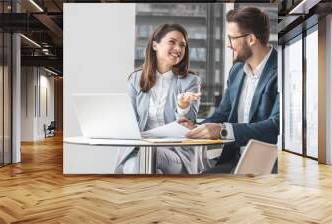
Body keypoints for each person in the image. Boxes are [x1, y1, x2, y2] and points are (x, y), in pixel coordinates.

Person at [178, 7, 279, 173]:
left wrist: (223, 131)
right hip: (235, 160)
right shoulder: (237, 71)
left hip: (268, 165)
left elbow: (275, 127)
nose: (228, 44)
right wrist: (196, 127)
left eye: (231, 38)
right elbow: (222, 114)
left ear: (251, 39)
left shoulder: (281, 70)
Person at [115, 24, 202, 174]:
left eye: (182, 45)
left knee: (145, 158)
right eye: (172, 42)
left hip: (176, 153)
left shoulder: (190, 81)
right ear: (155, 45)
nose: (178, 49)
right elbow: (130, 121)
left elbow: (188, 126)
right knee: (133, 165)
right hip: (139, 148)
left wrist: (182, 105)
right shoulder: (136, 79)